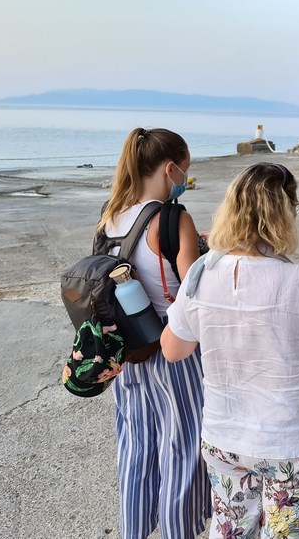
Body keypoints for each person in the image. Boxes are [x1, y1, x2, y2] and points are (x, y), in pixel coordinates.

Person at [161, 162, 299, 539]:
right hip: (293, 442)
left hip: (225, 438)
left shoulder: (201, 273)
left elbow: (173, 349)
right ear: (285, 213)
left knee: (231, 531)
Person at [98, 127, 210, 539]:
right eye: (186, 170)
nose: (185, 178)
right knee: (181, 450)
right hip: (171, 350)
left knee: (136, 448)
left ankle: (135, 532)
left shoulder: (110, 214)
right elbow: (193, 289)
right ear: (170, 168)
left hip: (128, 353)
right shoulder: (174, 218)